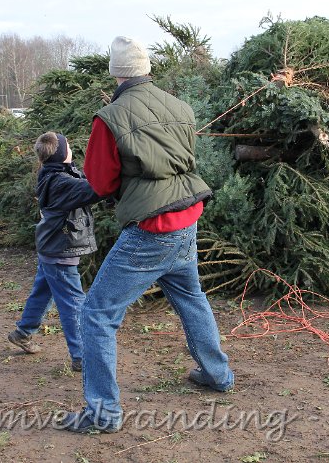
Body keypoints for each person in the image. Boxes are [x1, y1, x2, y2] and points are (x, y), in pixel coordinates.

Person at [58, 36, 234, 434]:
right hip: (187, 217)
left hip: (151, 229)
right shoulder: (180, 106)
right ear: (146, 67)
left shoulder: (110, 116)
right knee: (191, 298)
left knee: (97, 314)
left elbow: (101, 182)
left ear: (114, 72)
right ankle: (218, 375)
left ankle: (102, 413)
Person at [7, 131, 101, 373]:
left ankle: (23, 332)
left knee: (42, 290)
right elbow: (95, 189)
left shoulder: (56, 173)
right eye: (68, 145)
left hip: (52, 247)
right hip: (60, 251)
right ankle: (82, 356)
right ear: (61, 155)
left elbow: (83, 176)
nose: (71, 148)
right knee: (73, 303)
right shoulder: (60, 183)